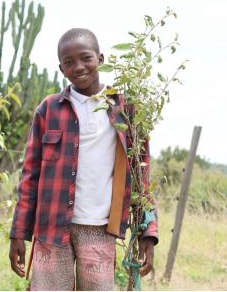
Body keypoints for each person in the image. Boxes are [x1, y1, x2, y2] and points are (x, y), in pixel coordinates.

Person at [9, 28, 158, 291]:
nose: (78, 66)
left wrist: (148, 232)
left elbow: (140, 175)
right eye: (69, 62)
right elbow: (30, 175)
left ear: (100, 59)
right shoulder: (49, 109)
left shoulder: (125, 110)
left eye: (85, 58)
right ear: (61, 68)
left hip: (99, 227)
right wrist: (18, 233)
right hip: (51, 228)